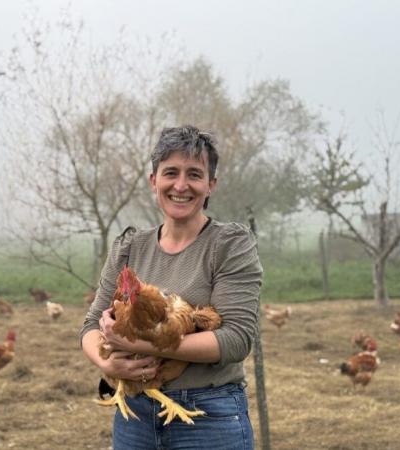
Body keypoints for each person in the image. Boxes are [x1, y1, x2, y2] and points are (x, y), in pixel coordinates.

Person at [79, 125, 263, 450]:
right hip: (135, 414)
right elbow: (92, 325)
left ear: (211, 185)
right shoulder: (128, 247)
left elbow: (236, 340)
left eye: (194, 174)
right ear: (154, 181)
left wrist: (142, 343)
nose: (181, 185)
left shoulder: (229, 245)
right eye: (170, 173)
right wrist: (106, 362)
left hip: (209, 413)